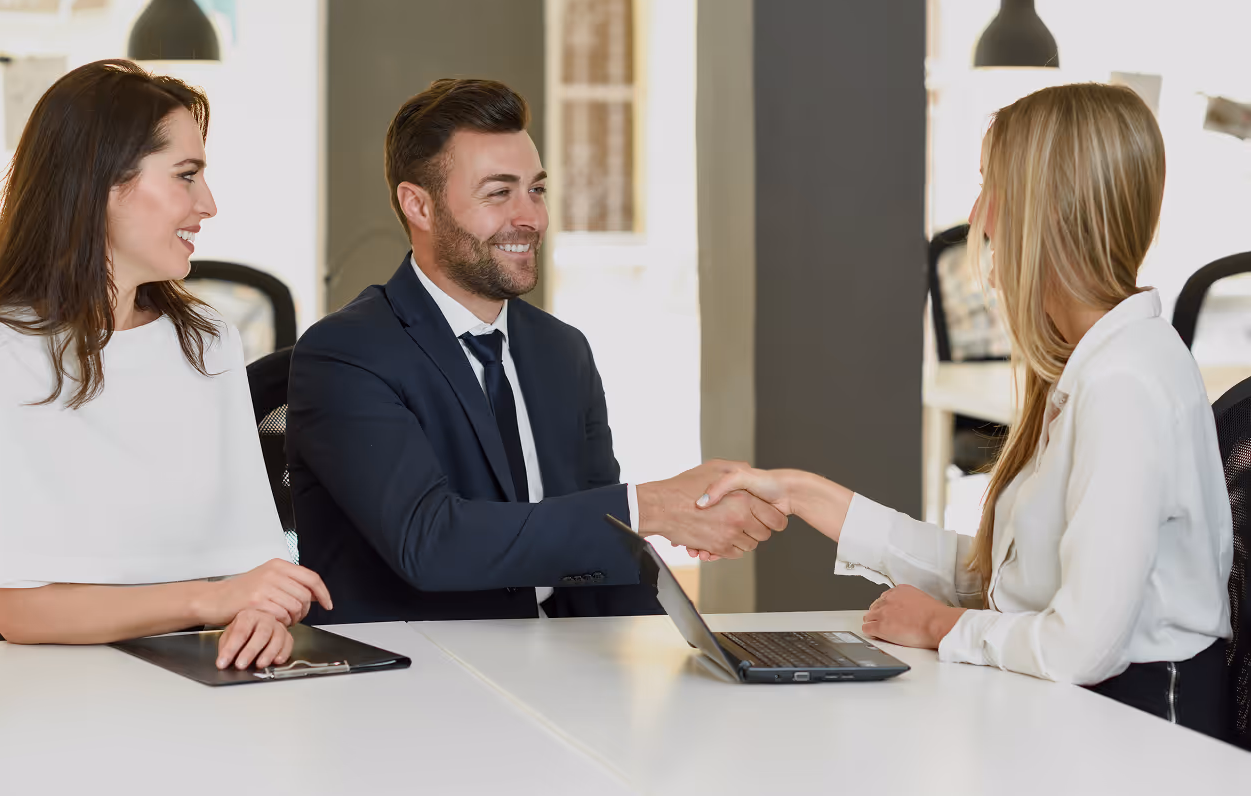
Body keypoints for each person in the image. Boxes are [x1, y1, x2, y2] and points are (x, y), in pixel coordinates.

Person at [698, 83, 1234, 739]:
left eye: (992, 188)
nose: (978, 217)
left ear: (1052, 208)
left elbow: (1082, 646)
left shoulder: (1125, 383)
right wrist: (801, 493)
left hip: (1145, 733)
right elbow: (1003, 583)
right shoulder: (1094, 365)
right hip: (1088, 716)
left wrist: (937, 625)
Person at [287, 78, 785, 624]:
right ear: (419, 206)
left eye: (537, 190)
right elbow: (430, 542)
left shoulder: (561, 351)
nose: (531, 217)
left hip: (559, 662)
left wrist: (677, 652)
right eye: (499, 193)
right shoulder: (346, 353)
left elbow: (607, 549)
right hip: (415, 676)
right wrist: (653, 508)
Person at [0, 60, 332, 673]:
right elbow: (23, 613)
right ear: (99, 184)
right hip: (49, 689)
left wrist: (259, 615)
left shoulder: (208, 341)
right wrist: (211, 601)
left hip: (201, 674)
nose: (207, 204)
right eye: (186, 176)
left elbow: (251, 562)